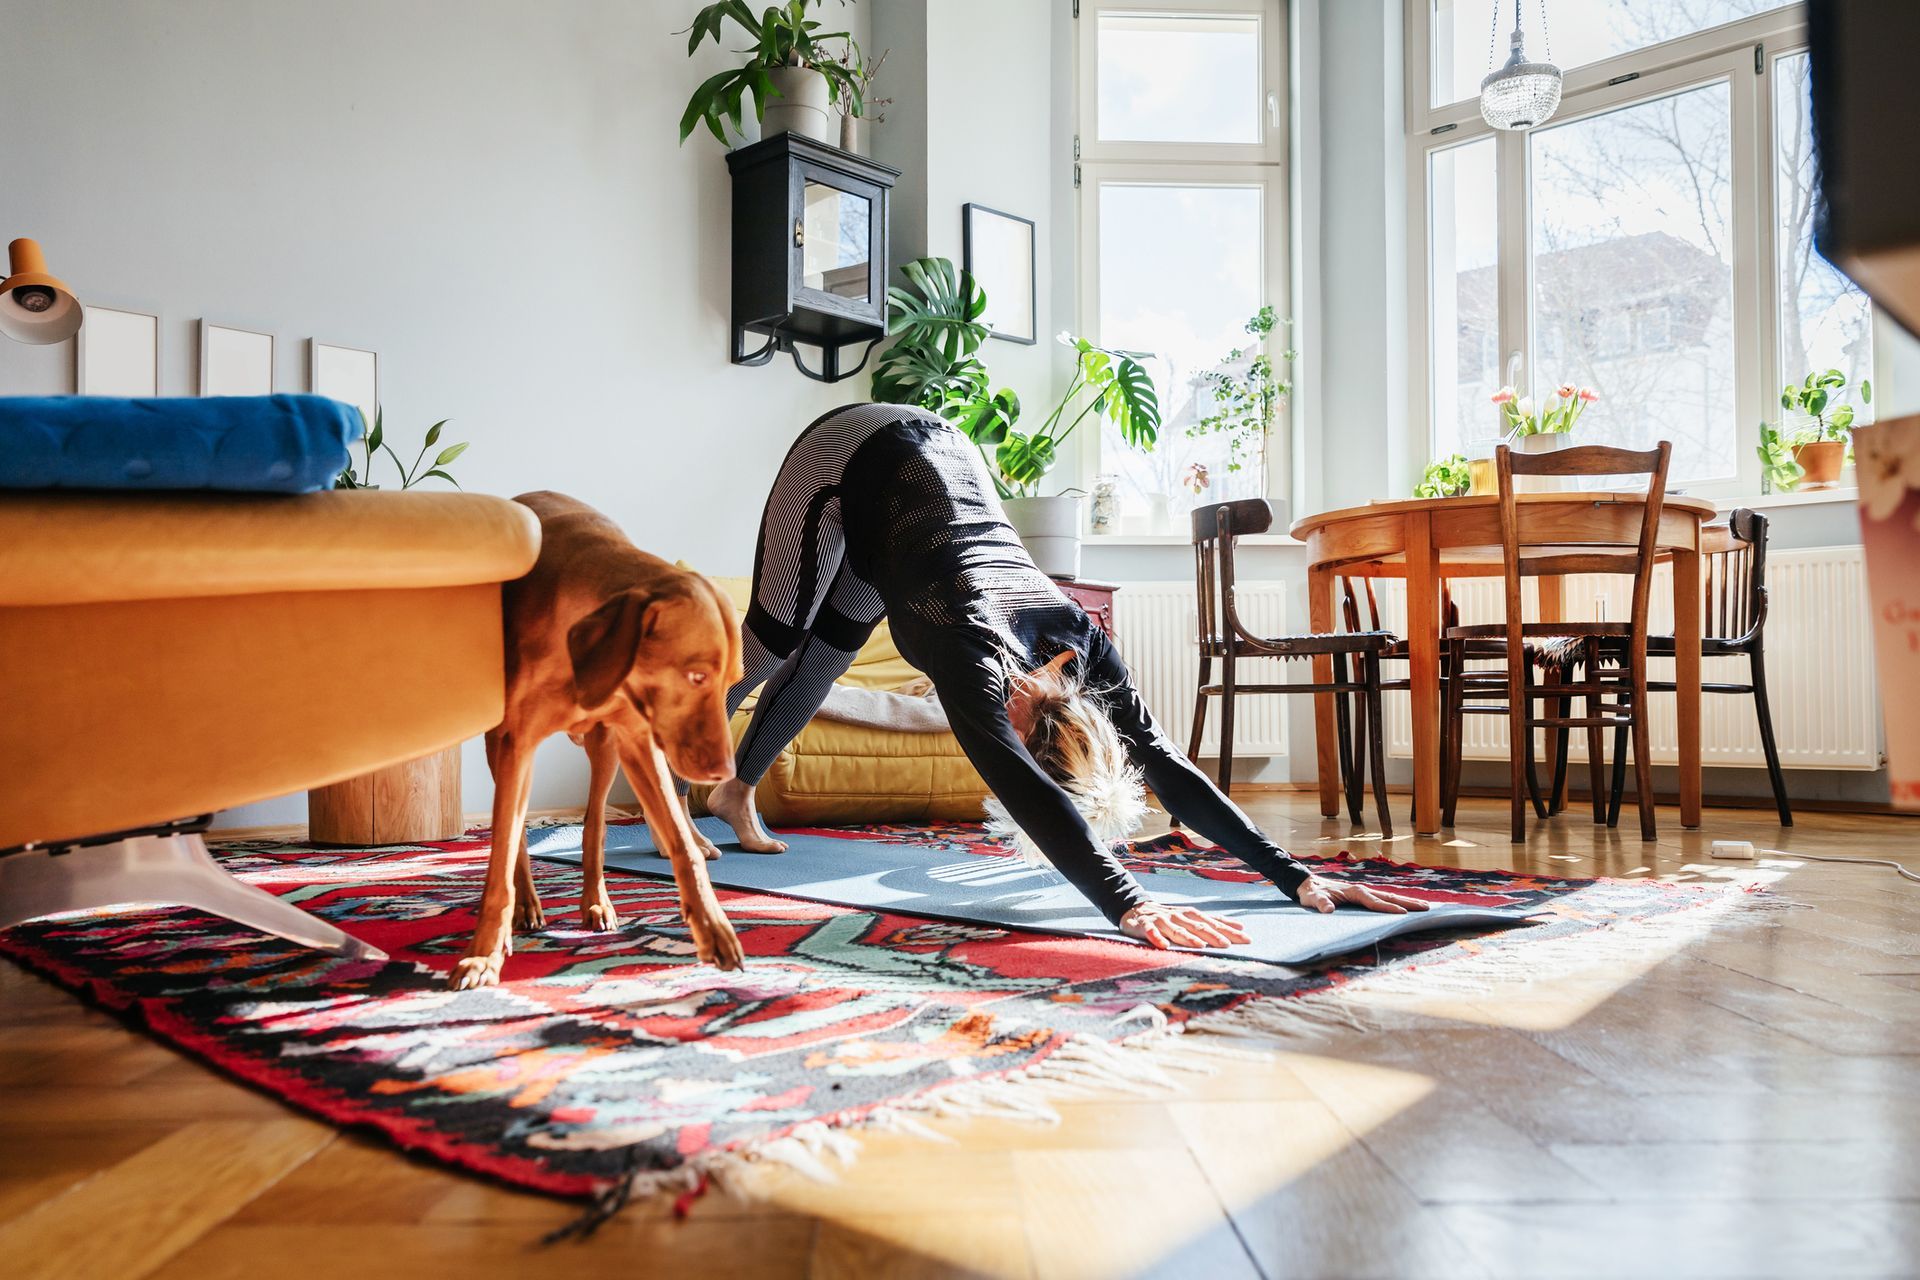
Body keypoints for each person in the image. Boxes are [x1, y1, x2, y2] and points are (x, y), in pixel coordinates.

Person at [698, 403, 1426, 948]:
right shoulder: (970, 651)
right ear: (1032, 728)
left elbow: (1166, 767)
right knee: (769, 646)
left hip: (911, 516)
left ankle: (735, 791)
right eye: (1014, 746)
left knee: (826, 656)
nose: (998, 756)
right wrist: (1128, 902)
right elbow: (1022, 784)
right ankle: (668, 748)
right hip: (852, 452)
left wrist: (1292, 875)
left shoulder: (1088, 649)